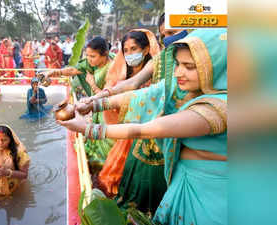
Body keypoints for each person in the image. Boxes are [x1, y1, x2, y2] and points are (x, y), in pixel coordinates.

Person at [59, 29, 227, 224]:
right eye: (178, 64)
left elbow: (149, 129)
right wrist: (94, 103)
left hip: (210, 196)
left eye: (188, 66)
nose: (178, 72)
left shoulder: (219, 108)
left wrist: (88, 129)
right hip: (182, 180)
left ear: (215, 66)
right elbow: (138, 95)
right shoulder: (181, 86)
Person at [95, 30, 165, 214]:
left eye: (134, 48)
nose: (129, 54)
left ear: (146, 49)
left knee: (139, 176)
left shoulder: (157, 68)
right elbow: (120, 89)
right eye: (126, 50)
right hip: (126, 129)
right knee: (120, 173)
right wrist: (97, 99)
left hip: (150, 130)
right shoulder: (124, 71)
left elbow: (133, 89)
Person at [86, 13, 189, 103]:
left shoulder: (201, 54)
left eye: (171, 33)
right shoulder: (159, 61)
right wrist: (96, 99)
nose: (167, 39)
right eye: (163, 36)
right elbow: (133, 83)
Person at [45, 36, 116, 167]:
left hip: (110, 110)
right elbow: (73, 70)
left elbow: (112, 95)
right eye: (87, 55)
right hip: (97, 106)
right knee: (96, 133)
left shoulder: (114, 69)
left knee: (107, 139)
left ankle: (106, 165)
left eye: (92, 56)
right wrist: (53, 72)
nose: (89, 59)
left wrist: (93, 85)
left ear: (105, 54)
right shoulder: (93, 63)